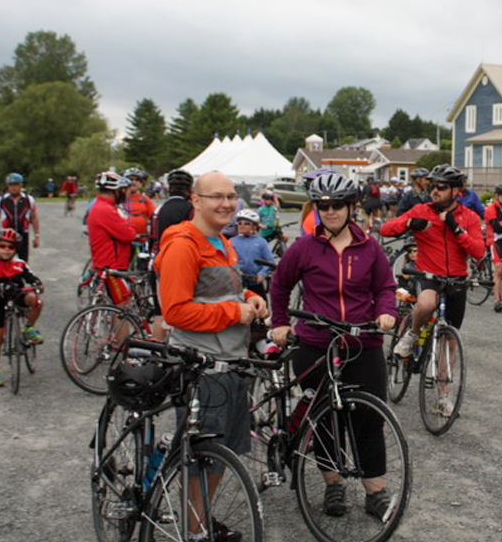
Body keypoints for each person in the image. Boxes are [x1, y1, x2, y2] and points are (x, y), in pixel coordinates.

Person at [268, 171, 398, 519]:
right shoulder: (304, 248)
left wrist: (386, 313)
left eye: (337, 205)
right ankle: (333, 484)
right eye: (323, 205)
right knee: (323, 418)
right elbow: (280, 286)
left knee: (369, 418)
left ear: (351, 207)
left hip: (362, 343)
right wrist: (279, 323)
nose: (330, 211)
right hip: (316, 343)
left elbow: (385, 287)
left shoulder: (369, 247)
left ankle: (376, 491)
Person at [154, 171, 268, 540]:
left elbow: (225, 293)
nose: (227, 203)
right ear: (196, 201)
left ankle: (198, 520)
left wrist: (250, 299)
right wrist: (234, 314)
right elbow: (175, 312)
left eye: (231, 196)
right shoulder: (183, 244)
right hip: (200, 367)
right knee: (201, 455)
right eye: (216, 196)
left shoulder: (221, 241)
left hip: (230, 363)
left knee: (222, 451)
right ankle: (195, 530)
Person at [383, 164, 485, 417]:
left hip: (457, 280)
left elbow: (479, 251)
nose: (434, 191)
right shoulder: (422, 210)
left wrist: (455, 228)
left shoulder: (469, 217)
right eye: (432, 186)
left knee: (449, 342)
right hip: (428, 276)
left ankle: (443, 397)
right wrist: (409, 222)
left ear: (456, 190)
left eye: (441, 187)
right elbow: (386, 229)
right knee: (427, 304)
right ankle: (411, 335)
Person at [0, 229, 44, 387]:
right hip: (0, 302)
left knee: (37, 302)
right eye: (2, 246)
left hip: (17, 296)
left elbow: (31, 276)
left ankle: (29, 328)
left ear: (16, 249)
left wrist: (37, 283)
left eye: (11, 247)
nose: (6, 250)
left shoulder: (20, 264)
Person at [87, 171, 138, 307]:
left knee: (119, 306)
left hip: (108, 264)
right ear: (116, 190)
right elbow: (129, 234)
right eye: (124, 190)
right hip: (112, 267)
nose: (126, 194)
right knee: (123, 306)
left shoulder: (103, 205)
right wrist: (129, 223)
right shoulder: (106, 209)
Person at [0, 173, 40, 262]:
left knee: (23, 263)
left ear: (21, 185)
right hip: (6, 234)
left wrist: (36, 236)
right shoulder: (1, 200)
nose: (13, 188)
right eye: (11, 185)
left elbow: (34, 218)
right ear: (7, 186)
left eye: (16, 184)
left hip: (22, 234)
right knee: (5, 262)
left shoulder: (28, 200)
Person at [484, 184, 502, 312]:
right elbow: (497, 227)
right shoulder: (491, 209)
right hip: (494, 241)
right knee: (499, 269)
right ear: (497, 196)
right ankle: (497, 301)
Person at [230, 208, 274, 297]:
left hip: (255, 281)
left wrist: (262, 273)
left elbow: (269, 261)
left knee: (262, 306)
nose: (242, 225)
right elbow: (226, 260)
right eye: (239, 223)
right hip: (237, 282)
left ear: (254, 226)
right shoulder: (231, 242)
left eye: (246, 223)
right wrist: (235, 270)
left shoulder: (261, 242)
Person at [150, 169, 194, 255]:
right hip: (184, 255)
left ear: (169, 189)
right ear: (190, 189)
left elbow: (153, 237)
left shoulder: (159, 209)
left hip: (161, 255)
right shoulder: (192, 209)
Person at [123, 168, 155, 249]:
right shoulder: (119, 198)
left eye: (137, 180)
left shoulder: (144, 199)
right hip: (123, 241)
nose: (133, 182)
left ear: (141, 183)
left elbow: (154, 217)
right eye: (130, 179)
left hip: (140, 241)